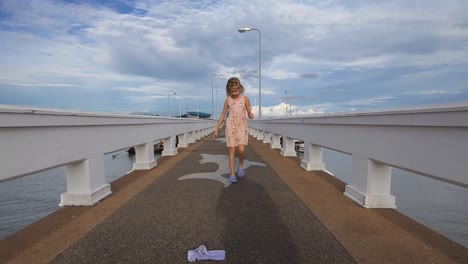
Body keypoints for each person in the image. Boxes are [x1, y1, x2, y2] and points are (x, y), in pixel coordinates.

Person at [213, 77, 254, 183]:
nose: (234, 93)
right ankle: (232, 174)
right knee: (232, 150)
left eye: (236, 91)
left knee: (241, 150)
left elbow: (249, 111)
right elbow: (223, 115)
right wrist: (217, 129)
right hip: (230, 126)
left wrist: (251, 114)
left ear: (240, 89)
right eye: (232, 92)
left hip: (242, 126)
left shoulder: (245, 99)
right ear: (228, 91)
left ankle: (240, 166)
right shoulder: (228, 100)